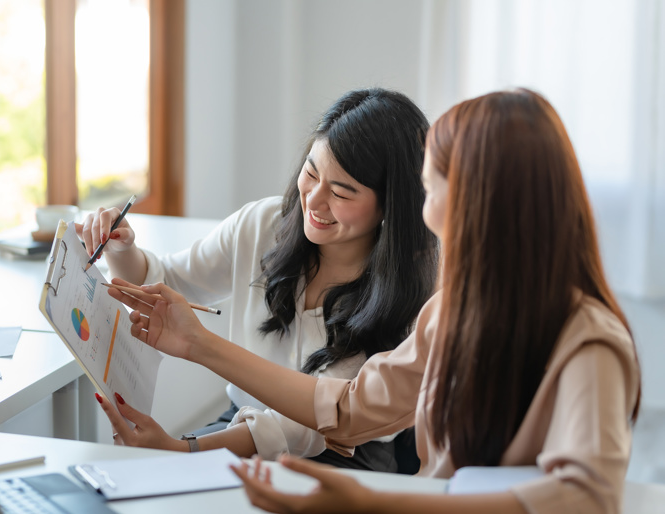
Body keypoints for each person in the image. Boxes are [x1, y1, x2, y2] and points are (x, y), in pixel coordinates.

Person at [107, 88, 642, 513]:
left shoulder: (588, 342)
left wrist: (375, 500)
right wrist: (199, 345)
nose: (425, 212)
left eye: (431, 190)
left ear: (481, 205)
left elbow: (588, 497)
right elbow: (351, 408)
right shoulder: (454, 313)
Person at [81, 87, 439, 472]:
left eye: (340, 192)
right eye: (311, 173)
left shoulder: (407, 290)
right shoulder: (263, 225)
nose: (314, 201)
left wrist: (185, 449)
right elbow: (166, 281)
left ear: (389, 205)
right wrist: (121, 249)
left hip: (342, 453)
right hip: (242, 421)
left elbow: (314, 423)